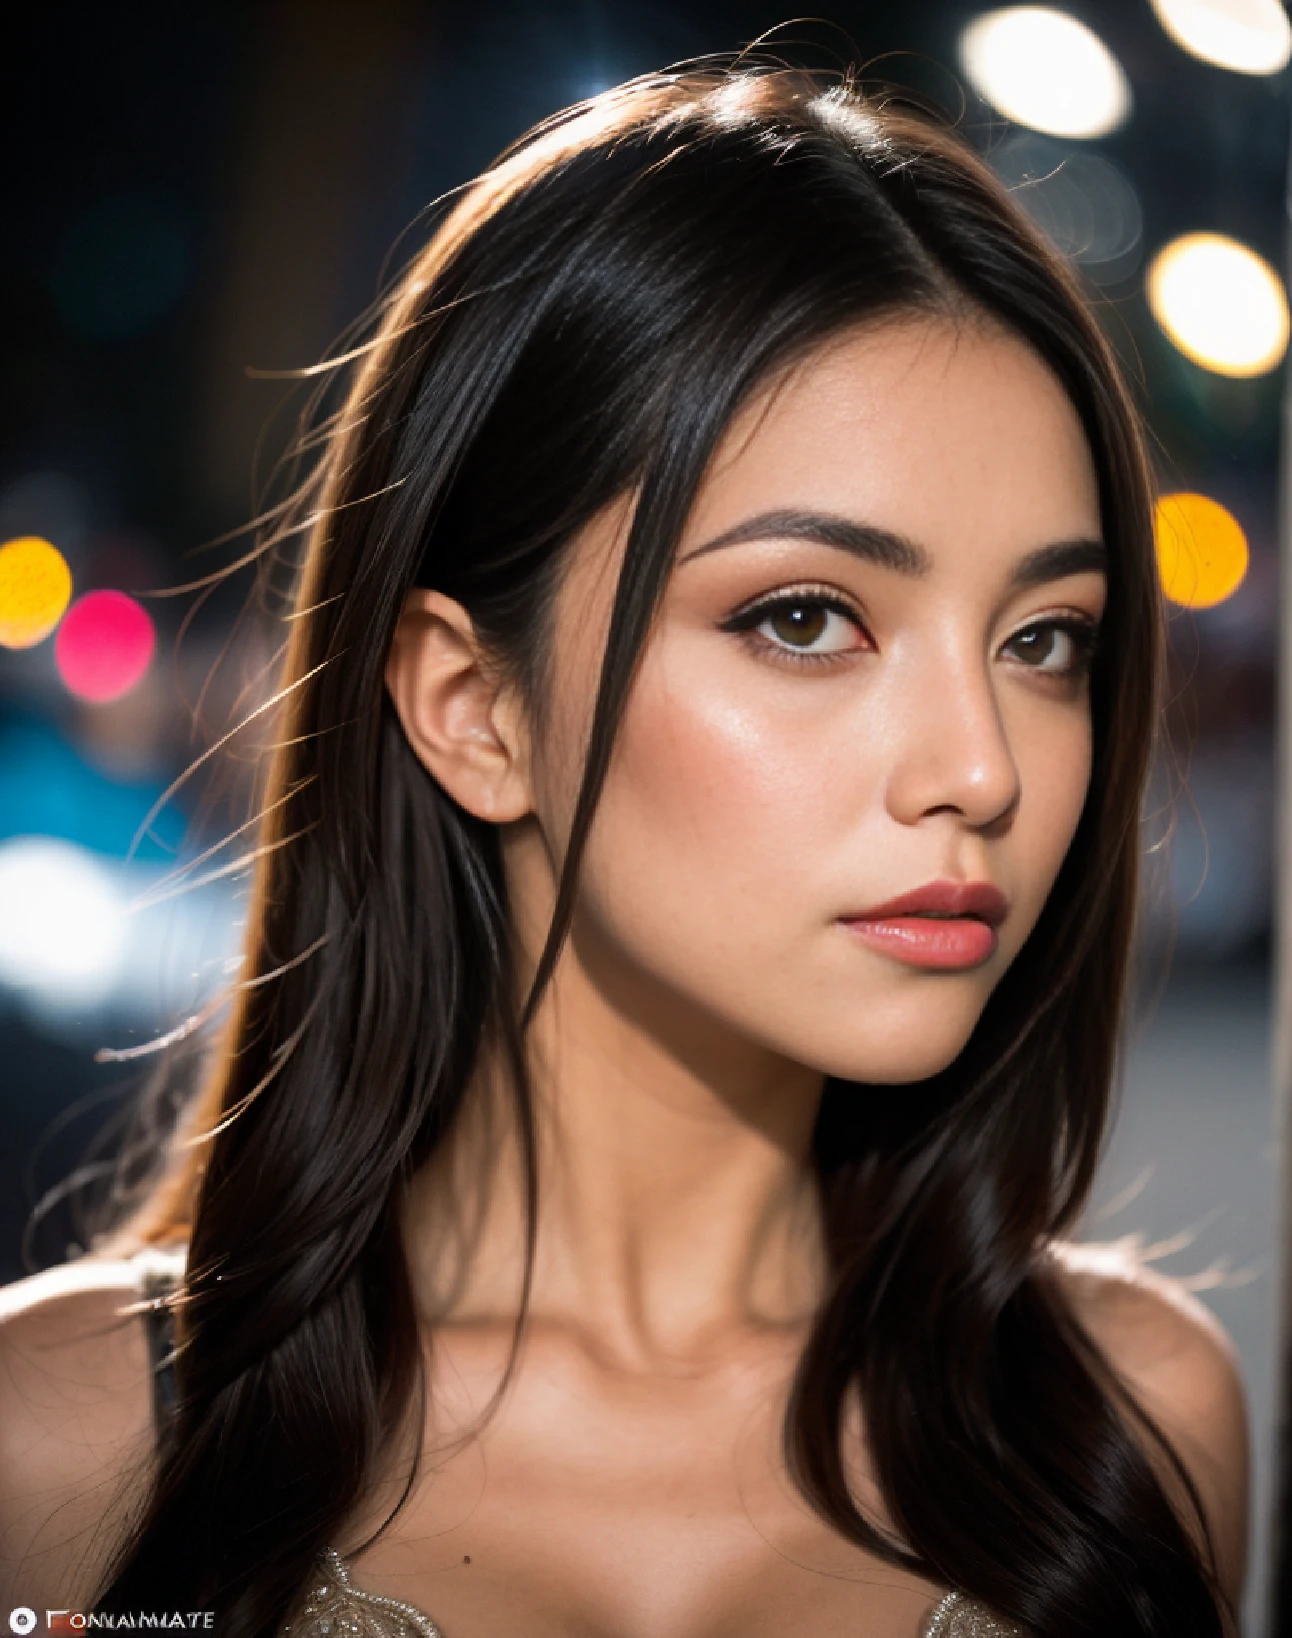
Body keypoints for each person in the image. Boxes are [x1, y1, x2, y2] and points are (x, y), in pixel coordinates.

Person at [0, 59, 1249, 1638]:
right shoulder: (56, 1454)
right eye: (807, 618)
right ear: (471, 704)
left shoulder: (1129, 1429)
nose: (983, 768)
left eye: (1047, 639)